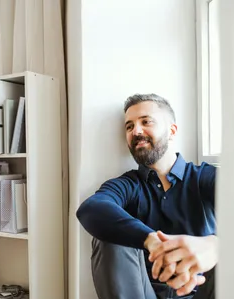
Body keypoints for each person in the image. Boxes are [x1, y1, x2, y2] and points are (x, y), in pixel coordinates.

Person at [76, 94, 217, 299]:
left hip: (202, 289)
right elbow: (90, 209)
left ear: (171, 131)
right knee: (108, 236)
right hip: (143, 292)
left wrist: (216, 245)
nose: (136, 131)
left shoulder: (205, 177)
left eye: (146, 121)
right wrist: (151, 240)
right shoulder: (128, 184)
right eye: (129, 126)